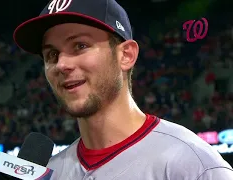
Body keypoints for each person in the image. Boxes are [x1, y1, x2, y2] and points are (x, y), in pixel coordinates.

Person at [13, 0, 233, 179]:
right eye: (51, 54)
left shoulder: (193, 165)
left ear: (126, 55)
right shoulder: (51, 174)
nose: (61, 64)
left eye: (80, 46)